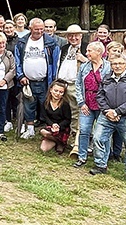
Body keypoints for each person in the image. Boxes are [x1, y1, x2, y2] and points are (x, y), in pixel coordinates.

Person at [90, 54, 126, 182]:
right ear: (110, 65)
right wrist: (107, 111)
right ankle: (100, 165)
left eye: (120, 63)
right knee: (98, 138)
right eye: (114, 64)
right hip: (106, 116)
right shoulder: (106, 78)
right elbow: (100, 97)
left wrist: (117, 112)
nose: (117, 66)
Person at [15, 18, 61, 139]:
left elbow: (55, 62)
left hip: (45, 81)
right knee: (28, 105)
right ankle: (30, 129)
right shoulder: (22, 42)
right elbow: (17, 61)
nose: (40, 31)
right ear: (30, 28)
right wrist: (20, 76)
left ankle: (50, 131)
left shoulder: (50, 43)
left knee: (47, 106)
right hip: (27, 81)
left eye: (42, 29)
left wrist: (54, 79)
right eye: (36, 29)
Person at [72, 42, 111, 168]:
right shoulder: (84, 67)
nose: (87, 53)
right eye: (87, 51)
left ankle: (102, 158)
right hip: (87, 104)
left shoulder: (108, 67)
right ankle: (82, 156)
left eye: (90, 51)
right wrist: (81, 102)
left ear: (99, 52)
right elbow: (78, 84)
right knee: (84, 131)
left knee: (102, 133)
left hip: (102, 105)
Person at [57, 24, 89, 153]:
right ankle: (64, 137)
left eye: (76, 35)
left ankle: (77, 140)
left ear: (81, 36)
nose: (73, 37)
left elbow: (97, 66)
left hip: (76, 85)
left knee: (77, 113)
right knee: (64, 112)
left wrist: (84, 59)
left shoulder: (87, 47)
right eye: (71, 35)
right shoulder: (65, 48)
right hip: (62, 84)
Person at [39, 80, 71, 154]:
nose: (57, 94)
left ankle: (61, 143)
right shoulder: (45, 103)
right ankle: (58, 142)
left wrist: (58, 126)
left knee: (57, 150)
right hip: (51, 127)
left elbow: (67, 120)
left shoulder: (65, 104)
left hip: (62, 128)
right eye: (55, 91)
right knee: (43, 147)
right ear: (51, 90)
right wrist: (52, 125)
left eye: (61, 92)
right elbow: (45, 117)